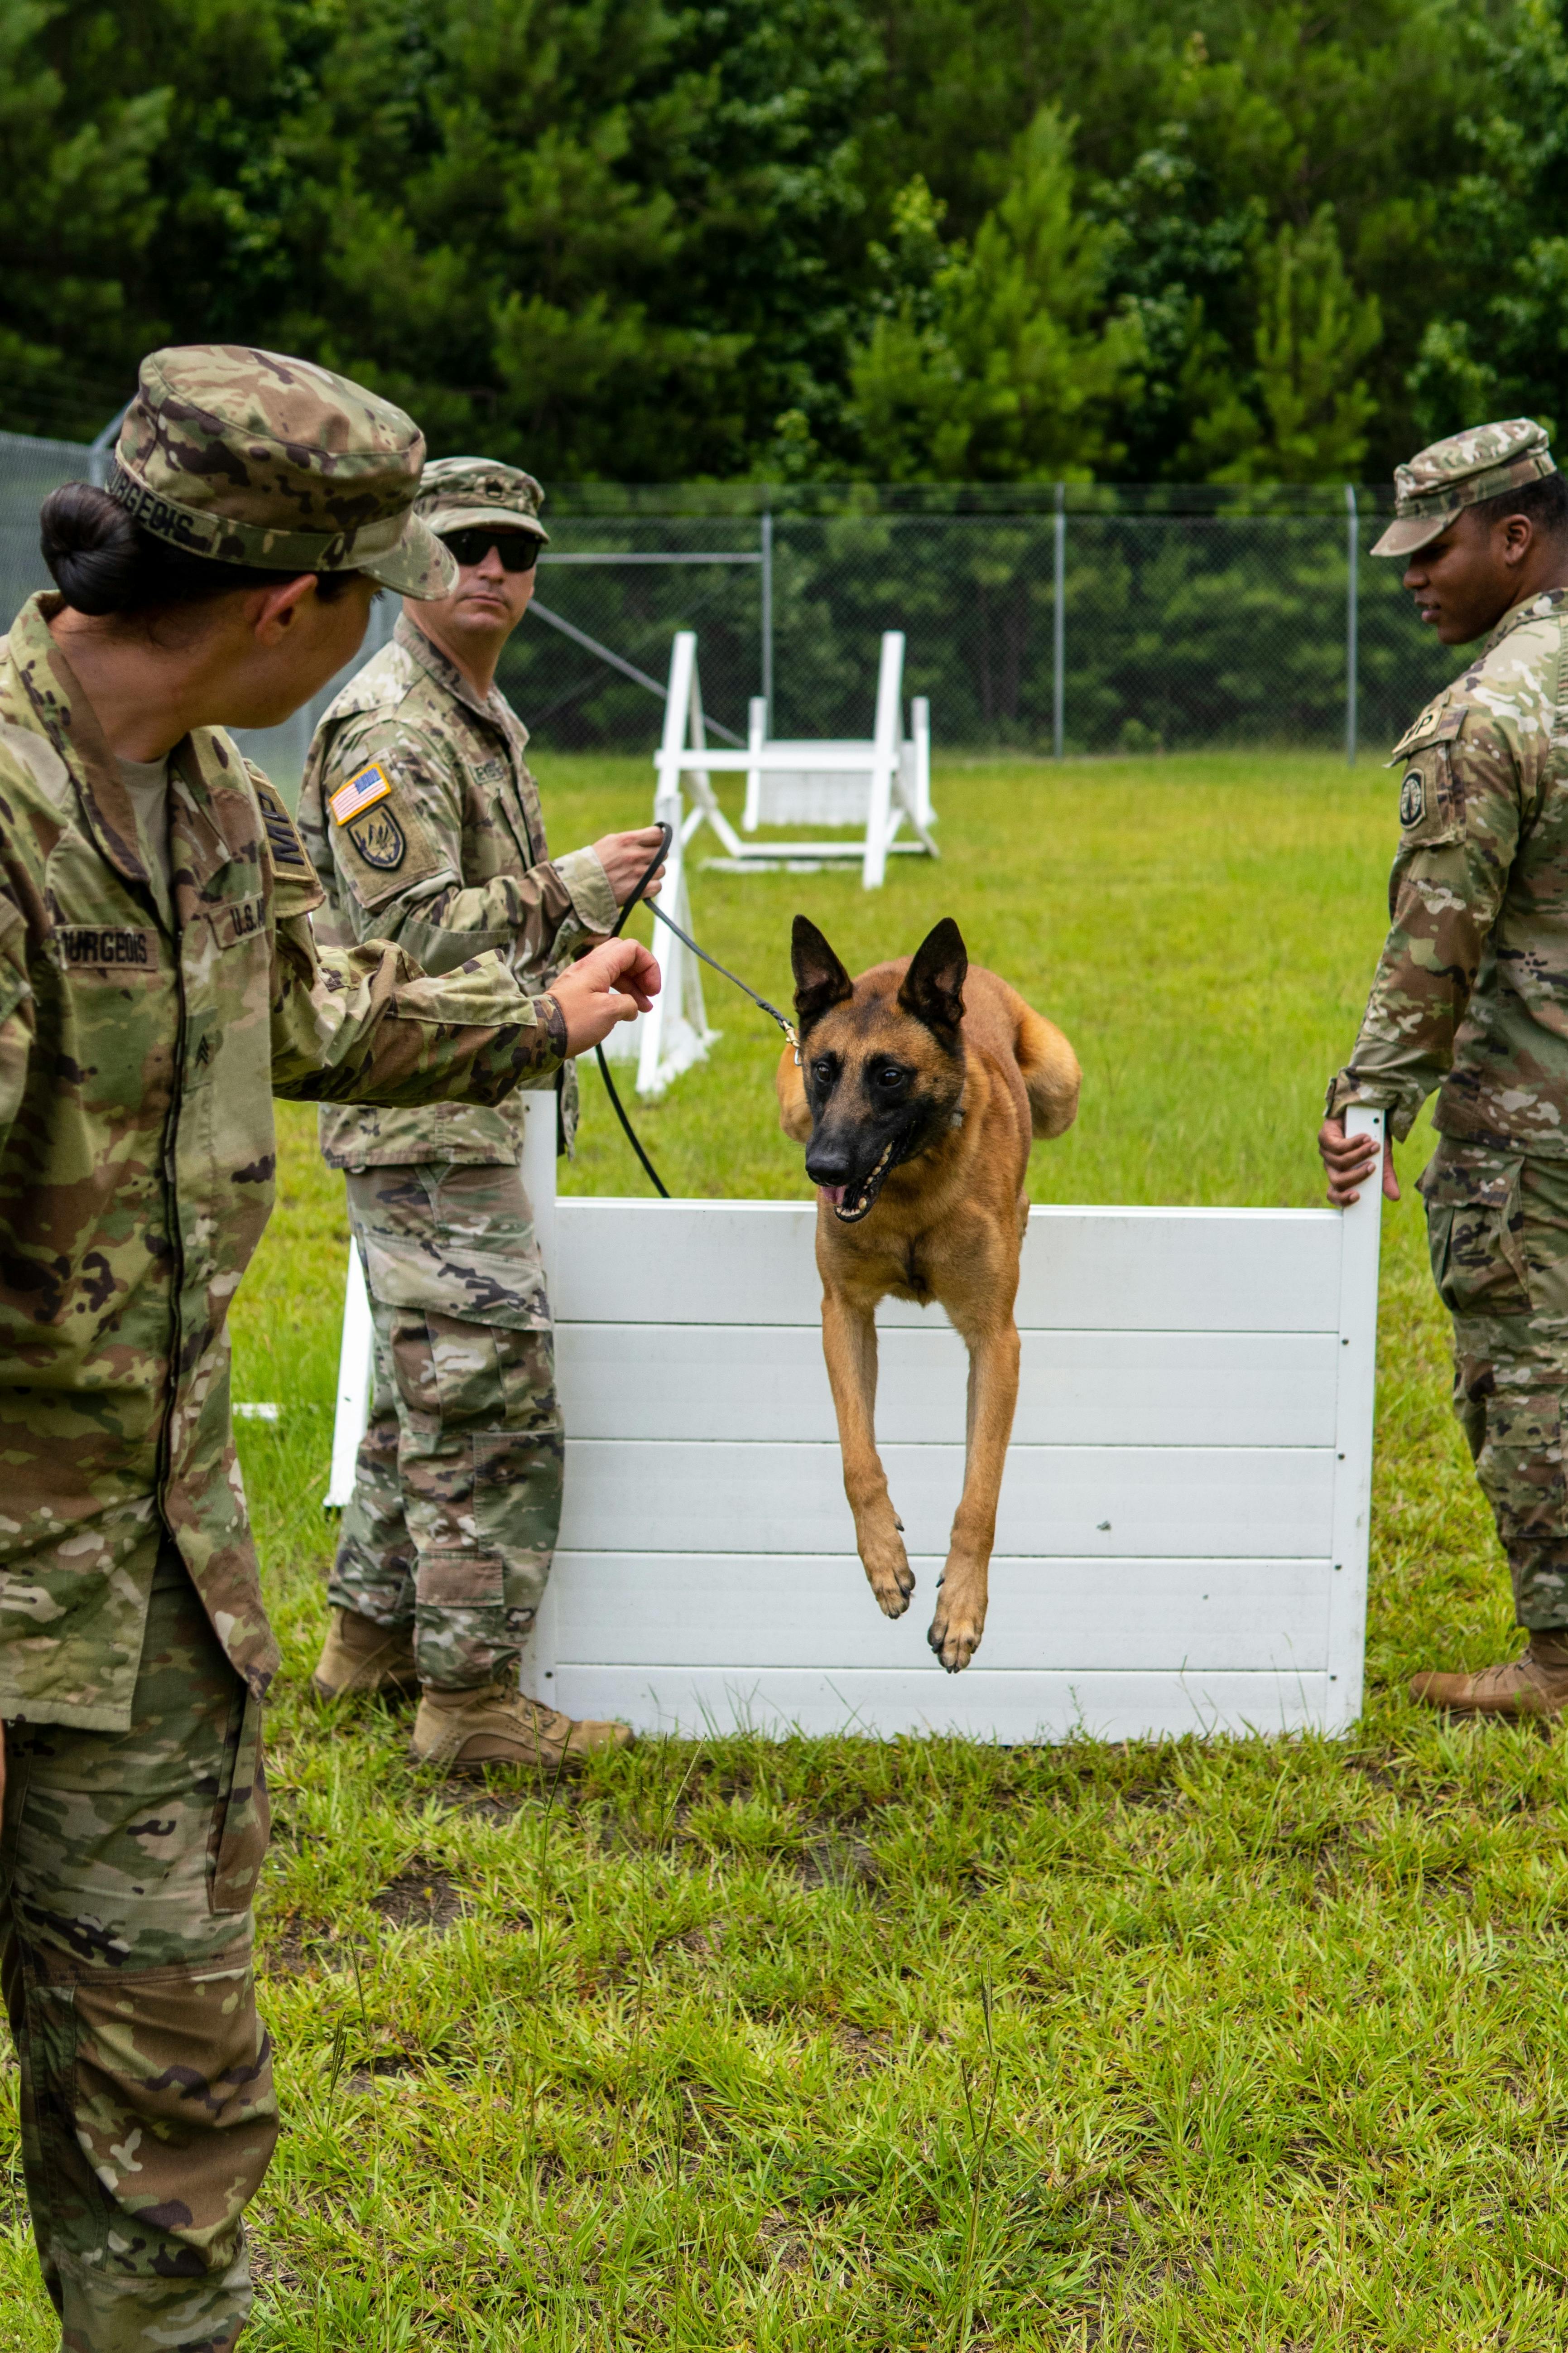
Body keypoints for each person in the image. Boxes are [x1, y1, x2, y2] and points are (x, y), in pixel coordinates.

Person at [0, 344, 657, 2353]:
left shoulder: (207, 801)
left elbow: (319, 997)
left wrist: (540, 1021)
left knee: (174, 2112)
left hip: (147, 1593)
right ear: (293, 606)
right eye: (376, 585)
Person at [296, 458, 664, 1772]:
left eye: (518, 550)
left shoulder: (469, 711)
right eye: (467, 546)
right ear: (411, 562)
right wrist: (570, 888)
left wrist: (572, 935)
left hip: (460, 1093)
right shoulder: (396, 727)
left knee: (423, 1385)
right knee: (487, 1396)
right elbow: (403, 938)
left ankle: (369, 1644)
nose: (496, 570)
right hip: (421, 1105)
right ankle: (472, 1710)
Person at [1320, 416, 1568, 1718]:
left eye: (1435, 547)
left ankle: (1560, 1664)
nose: (1412, 574)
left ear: (1515, 538)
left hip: (1531, 1117)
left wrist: (1365, 1102)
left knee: (1528, 1363)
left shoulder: (1488, 713)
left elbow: (1435, 946)